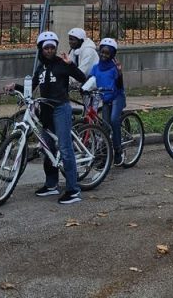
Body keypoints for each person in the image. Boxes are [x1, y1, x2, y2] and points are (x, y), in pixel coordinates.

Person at [31, 30, 88, 204]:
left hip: (60, 109)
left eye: (52, 47)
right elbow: (31, 86)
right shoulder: (40, 68)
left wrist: (71, 65)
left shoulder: (62, 63)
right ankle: (51, 185)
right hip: (45, 111)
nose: (49, 50)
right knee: (47, 148)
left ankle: (73, 190)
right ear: (41, 49)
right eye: (46, 48)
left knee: (65, 148)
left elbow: (82, 77)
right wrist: (14, 87)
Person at [83, 37, 127, 166]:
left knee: (113, 120)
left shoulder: (114, 68)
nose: (104, 55)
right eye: (102, 52)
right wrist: (83, 87)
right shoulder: (96, 67)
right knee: (105, 127)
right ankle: (105, 155)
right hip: (105, 99)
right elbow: (90, 79)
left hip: (117, 97)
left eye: (107, 53)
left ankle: (118, 151)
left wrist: (119, 73)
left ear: (112, 54)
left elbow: (119, 86)